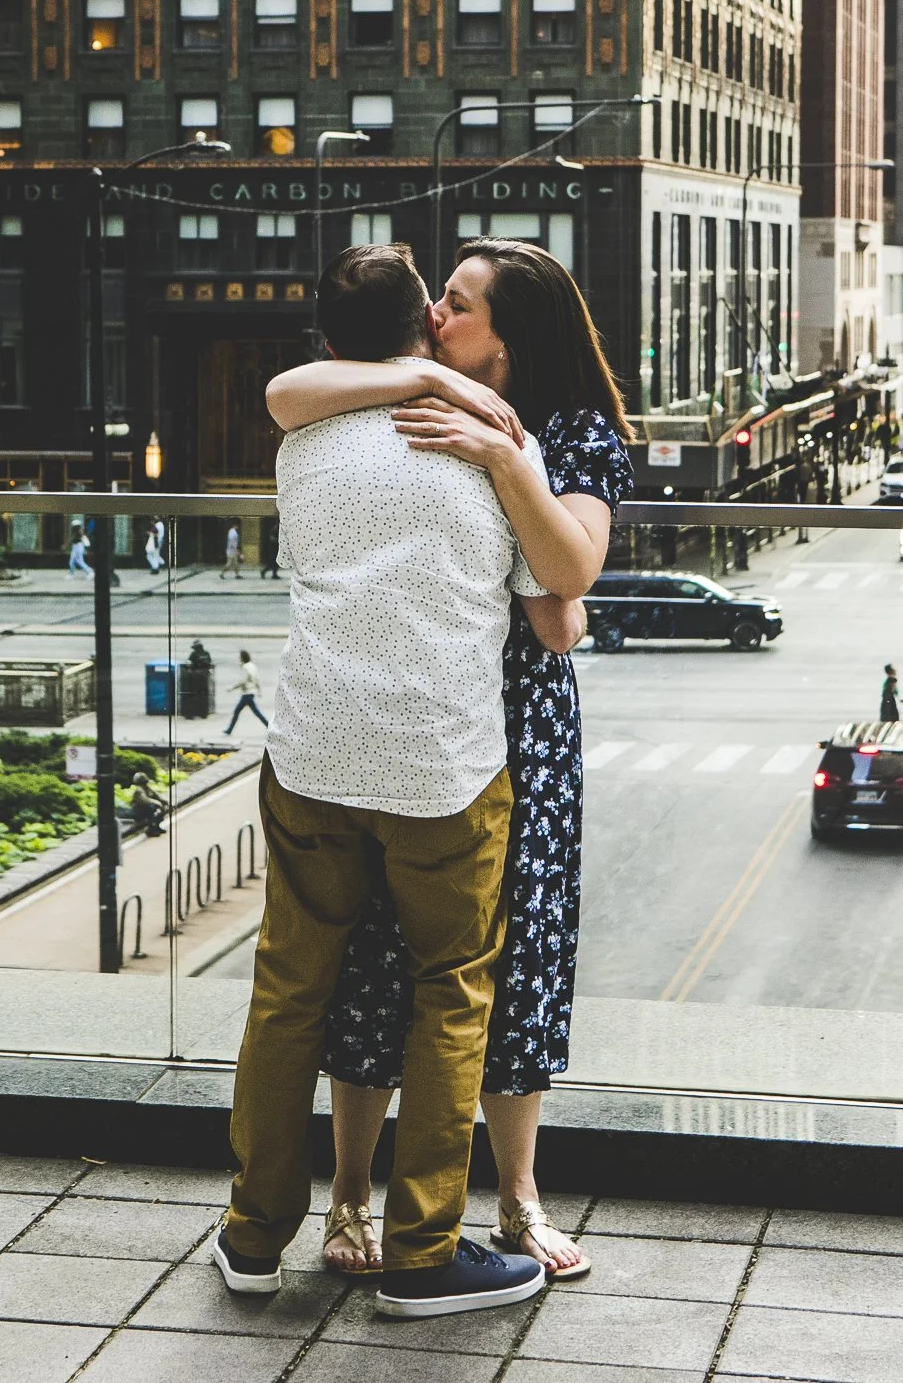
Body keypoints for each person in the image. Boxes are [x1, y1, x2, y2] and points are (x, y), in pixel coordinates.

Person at [267, 237, 634, 1282]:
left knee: (516, 965)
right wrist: (429, 376)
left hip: (520, 728)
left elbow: (572, 577)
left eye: (459, 308)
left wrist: (501, 458)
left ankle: (517, 1200)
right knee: (372, 960)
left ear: (512, 334)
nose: (436, 315)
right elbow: (288, 390)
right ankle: (349, 1201)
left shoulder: (569, 430)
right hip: (411, 718)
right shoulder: (395, 388)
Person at [214, 243, 556, 1320]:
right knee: (451, 992)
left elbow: (294, 392)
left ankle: (253, 1236)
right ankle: (420, 1253)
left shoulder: (305, 430)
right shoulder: (490, 441)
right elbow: (552, 593)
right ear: (426, 327)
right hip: (442, 763)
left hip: (314, 750)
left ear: (329, 342)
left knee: (287, 993)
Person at [223, 650, 267, 733]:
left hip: (247, 692)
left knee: (237, 711)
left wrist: (231, 688)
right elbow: (257, 679)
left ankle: (229, 730)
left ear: (242, 658)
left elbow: (242, 681)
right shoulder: (252, 666)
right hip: (252, 692)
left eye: (240, 657)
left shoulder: (245, 667)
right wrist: (259, 690)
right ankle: (267, 725)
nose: (239, 658)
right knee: (256, 712)